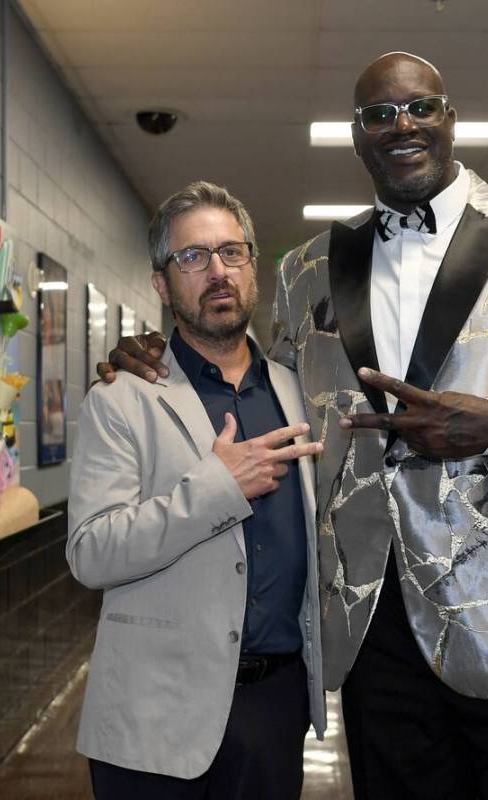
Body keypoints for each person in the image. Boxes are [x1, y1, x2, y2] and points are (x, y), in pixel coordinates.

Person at [99, 53, 488, 800]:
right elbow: (265, 391)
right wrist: (155, 352)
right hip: (371, 620)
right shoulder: (309, 267)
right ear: (357, 137)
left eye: (420, 107)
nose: (402, 125)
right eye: (378, 115)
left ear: (449, 116)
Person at [67, 181, 326, 799]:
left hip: (274, 706)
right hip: (155, 712)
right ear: (162, 283)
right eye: (193, 257)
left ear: (252, 269)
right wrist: (216, 488)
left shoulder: (299, 391)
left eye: (232, 253)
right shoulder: (122, 397)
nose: (217, 271)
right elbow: (91, 552)